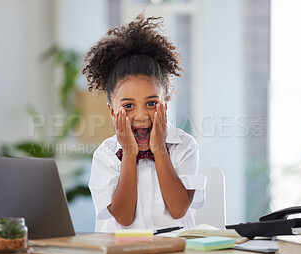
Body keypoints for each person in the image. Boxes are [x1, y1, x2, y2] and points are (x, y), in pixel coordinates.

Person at [82, 14, 207, 232]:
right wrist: (129, 154)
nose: (141, 116)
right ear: (112, 112)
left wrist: (159, 150)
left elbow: (178, 210)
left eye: (151, 103)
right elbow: (123, 217)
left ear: (165, 106)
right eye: (128, 106)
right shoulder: (106, 155)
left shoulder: (185, 146)